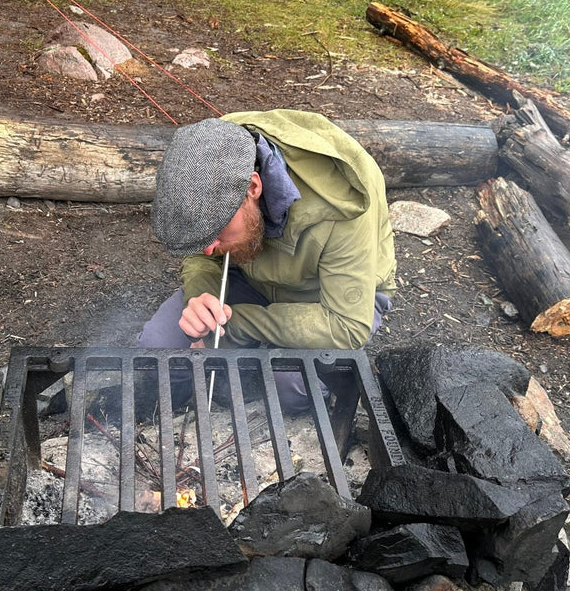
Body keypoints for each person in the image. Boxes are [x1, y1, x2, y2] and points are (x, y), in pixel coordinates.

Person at [138, 108, 396, 412]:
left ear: (253, 187)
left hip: (321, 300)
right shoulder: (217, 153)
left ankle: (303, 392)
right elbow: (202, 254)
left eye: (218, 232)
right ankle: (182, 398)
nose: (208, 250)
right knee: (158, 344)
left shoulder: (342, 204)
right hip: (249, 278)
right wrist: (201, 297)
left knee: (290, 386)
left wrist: (234, 324)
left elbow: (346, 326)